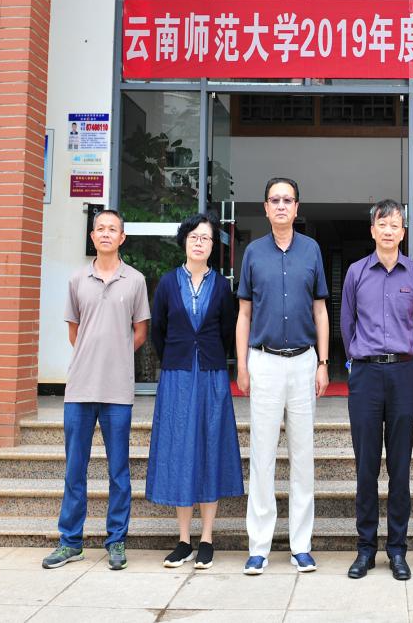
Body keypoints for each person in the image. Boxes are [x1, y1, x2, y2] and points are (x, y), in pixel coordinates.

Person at [42, 209, 150, 571]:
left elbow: (140, 332)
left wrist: (115, 355)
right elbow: (75, 332)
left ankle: (116, 540)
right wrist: (93, 354)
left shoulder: (135, 281)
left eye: (112, 229)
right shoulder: (77, 279)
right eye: (100, 228)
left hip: (118, 390)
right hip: (80, 388)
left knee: (119, 471)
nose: (105, 233)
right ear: (93, 237)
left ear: (122, 237)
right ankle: (70, 541)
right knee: (75, 469)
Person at [235, 177, 330, 575]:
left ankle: (300, 545)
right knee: (262, 456)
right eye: (274, 200)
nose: (280, 206)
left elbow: (321, 310)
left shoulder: (312, 250)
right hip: (265, 361)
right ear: (265, 207)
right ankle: (258, 546)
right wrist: (242, 365)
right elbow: (244, 313)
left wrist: (324, 362)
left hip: (304, 361)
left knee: (303, 458)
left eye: (287, 200)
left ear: (296, 207)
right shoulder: (253, 253)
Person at [145, 212, 244, 570]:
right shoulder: (168, 283)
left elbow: (227, 330)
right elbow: (158, 331)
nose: (199, 243)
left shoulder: (222, 287)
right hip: (178, 377)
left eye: (206, 238)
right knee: (180, 451)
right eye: (194, 237)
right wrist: (179, 356)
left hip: (213, 377)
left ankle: (207, 539)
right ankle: (184, 539)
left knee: (210, 448)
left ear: (213, 246)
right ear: (184, 242)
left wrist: (209, 356)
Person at [341, 199, 413, 581]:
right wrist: (361, 358)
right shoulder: (356, 272)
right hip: (365, 375)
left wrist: (403, 357)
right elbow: (347, 324)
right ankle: (365, 549)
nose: (389, 230)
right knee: (366, 467)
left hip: (403, 375)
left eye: (395, 225)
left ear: (403, 232)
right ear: (373, 230)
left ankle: (397, 550)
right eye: (383, 224)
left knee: (400, 467)